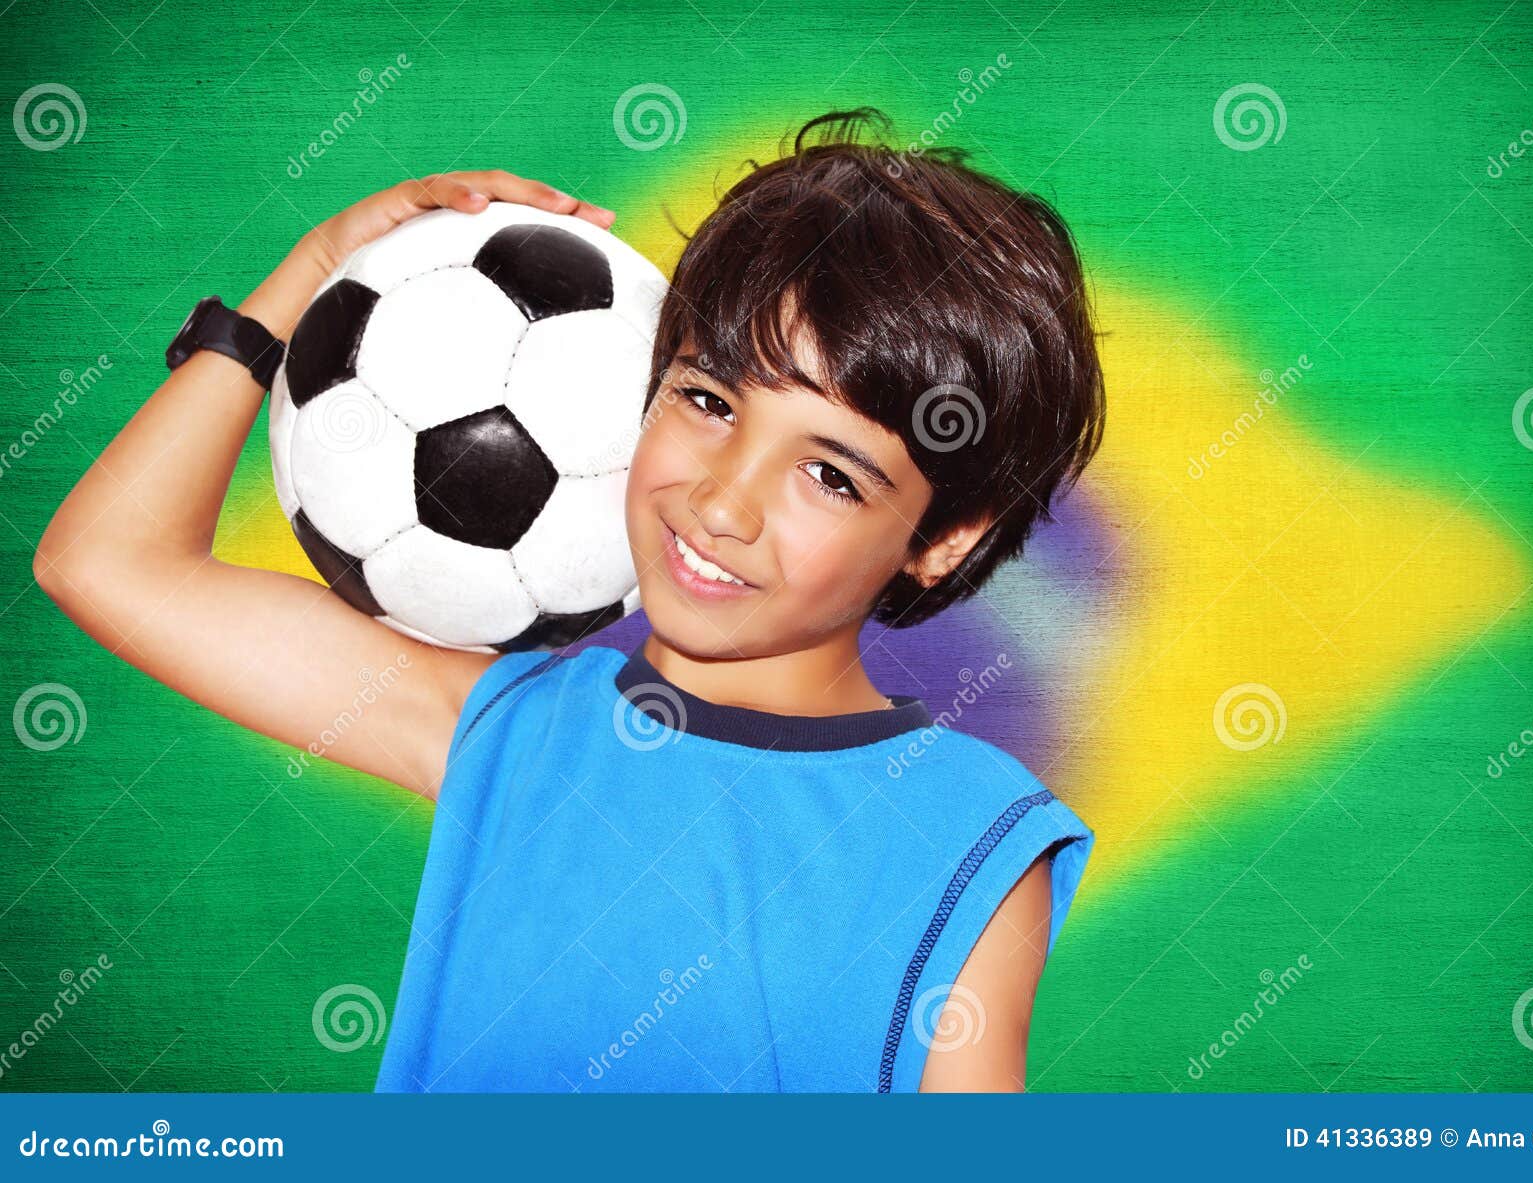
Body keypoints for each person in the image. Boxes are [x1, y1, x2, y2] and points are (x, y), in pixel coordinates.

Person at [34, 107, 1106, 1092]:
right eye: (706, 399)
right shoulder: (508, 729)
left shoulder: (973, 831)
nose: (722, 501)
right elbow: (104, 563)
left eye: (829, 472)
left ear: (941, 539)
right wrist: (318, 267)